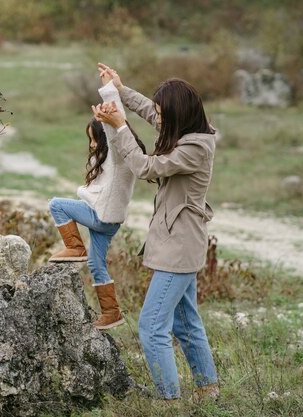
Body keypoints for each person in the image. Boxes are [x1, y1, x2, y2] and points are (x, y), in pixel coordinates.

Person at [91, 63, 219, 400]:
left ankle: (168, 398)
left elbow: (147, 168)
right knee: (185, 323)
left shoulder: (194, 149)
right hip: (178, 241)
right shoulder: (186, 130)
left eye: (163, 113)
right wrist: (120, 90)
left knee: (151, 327)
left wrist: (120, 129)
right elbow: (151, 111)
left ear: (178, 115)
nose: (157, 118)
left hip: (179, 245)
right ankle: (207, 389)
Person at [48, 72, 147, 329]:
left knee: (57, 204)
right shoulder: (108, 159)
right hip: (110, 221)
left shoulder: (117, 155)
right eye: (89, 139)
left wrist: (108, 94)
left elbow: (116, 128)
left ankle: (75, 247)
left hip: (100, 215)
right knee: (96, 263)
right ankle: (111, 313)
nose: (92, 144)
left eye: (95, 138)